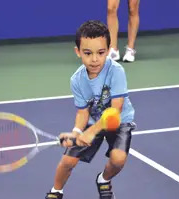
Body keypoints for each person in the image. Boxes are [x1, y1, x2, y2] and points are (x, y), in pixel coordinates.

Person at [45, 20, 136, 199]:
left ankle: (103, 180)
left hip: (119, 121)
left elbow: (114, 112)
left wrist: (90, 133)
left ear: (109, 50)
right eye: (88, 53)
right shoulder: (77, 80)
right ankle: (56, 192)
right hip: (94, 121)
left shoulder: (116, 71)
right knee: (67, 161)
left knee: (118, 160)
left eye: (101, 53)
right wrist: (77, 132)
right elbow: (82, 112)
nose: (94, 59)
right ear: (78, 52)